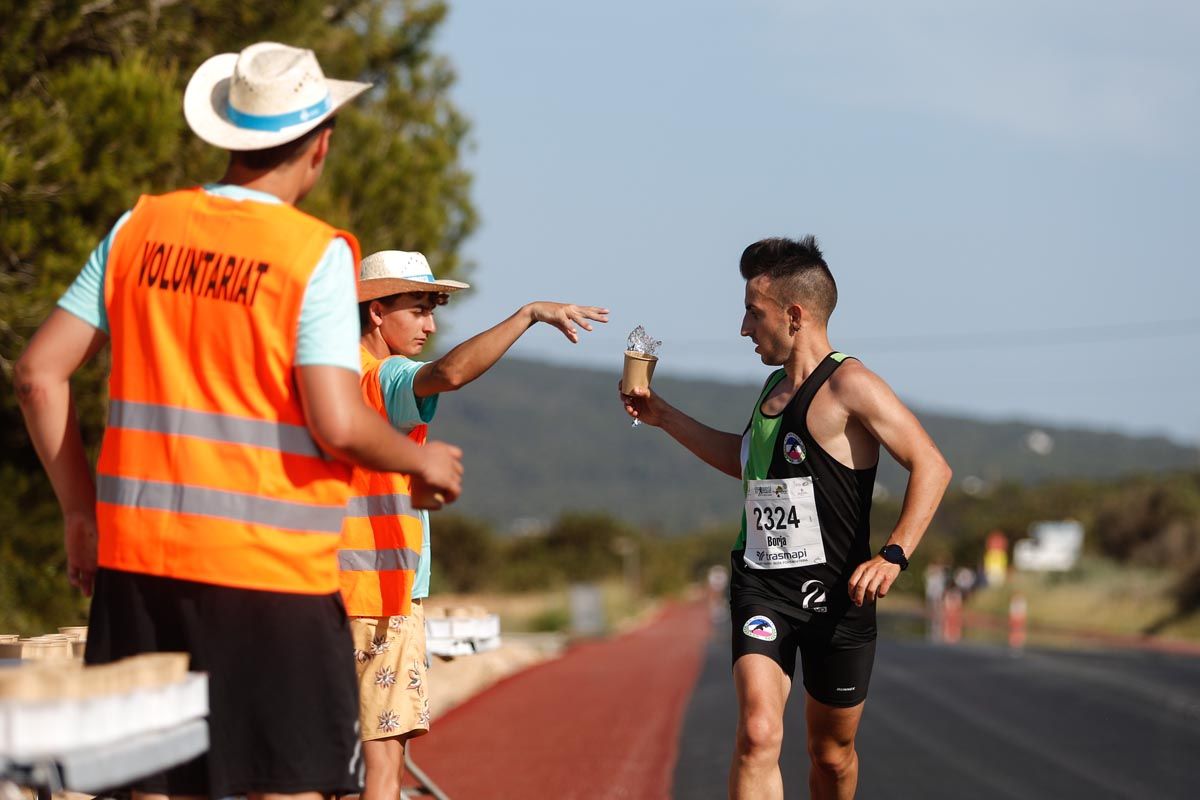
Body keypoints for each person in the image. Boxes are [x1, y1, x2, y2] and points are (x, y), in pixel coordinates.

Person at [14, 43, 463, 800]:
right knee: (283, 786)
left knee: (152, 786)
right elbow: (337, 421)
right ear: (319, 147)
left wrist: (79, 514)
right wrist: (421, 460)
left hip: (139, 571)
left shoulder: (137, 229)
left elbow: (37, 375)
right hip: (271, 575)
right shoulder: (311, 256)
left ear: (225, 134)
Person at [620, 236, 951, 799]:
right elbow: (743, 462)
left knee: (832, 756)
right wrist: (663, 416)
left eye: (754, 313)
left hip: (838, 597)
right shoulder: (773, 388)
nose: (744, 329)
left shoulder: (852, 385)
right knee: (758, 733)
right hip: (762, 587)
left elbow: (932, 466)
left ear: (794, 315)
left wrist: (894, 553)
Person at [343, 249, 607, 800]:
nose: (430, 324)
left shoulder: (327, 380)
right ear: (375, 312)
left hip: (326, 591)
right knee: (383, 774)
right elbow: (451, 373)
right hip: (381, 597)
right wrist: (528, 314)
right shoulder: (384, 377)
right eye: (417, 308)